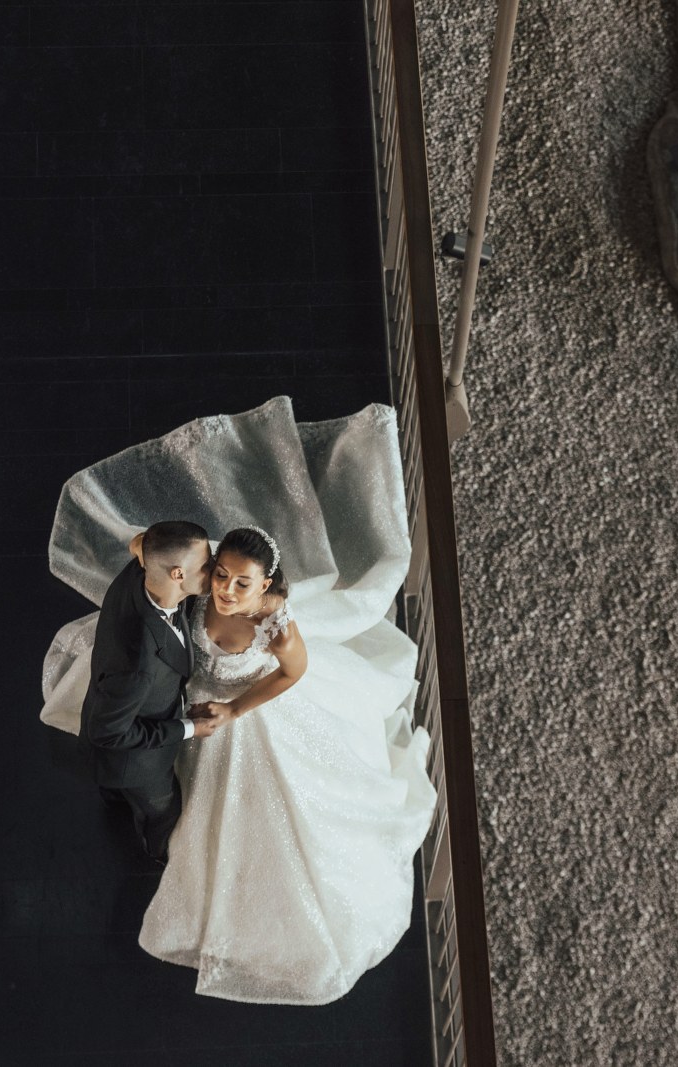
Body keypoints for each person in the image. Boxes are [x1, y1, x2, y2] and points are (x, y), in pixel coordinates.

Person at [39, 396, 437, 1004]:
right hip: (180, 702)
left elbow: (291, 675)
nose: (224, 590)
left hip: (244, 716)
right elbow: (146, 548)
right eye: (220, 575)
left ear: (266, 585)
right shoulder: (197, 586)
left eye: (241, 583)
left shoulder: (276, 624)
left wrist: (235, 710)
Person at [76, 520, 229, 866]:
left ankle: (113, 793)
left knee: (113, 787)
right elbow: (107, 732)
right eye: (206, 564)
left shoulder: (140, 570)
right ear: (178, 574)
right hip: (137, 762)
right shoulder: (138, 662)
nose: (214, 568)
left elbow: (140, 543)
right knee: (161, 810)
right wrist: (190, 728)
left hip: (114, 704)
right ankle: (156, 852)